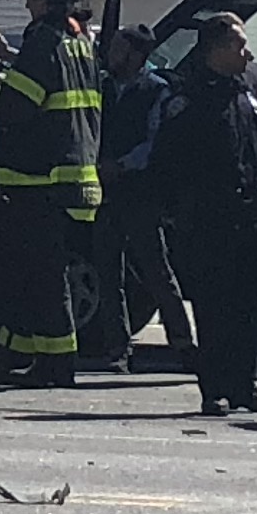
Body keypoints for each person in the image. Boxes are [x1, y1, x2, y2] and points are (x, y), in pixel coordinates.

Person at [149, 9, 257, 415]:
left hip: (250, 216)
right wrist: (176, 211)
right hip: (209, 218)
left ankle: (245, 384)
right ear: (217, 48)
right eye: (239, 45)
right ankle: (215, 389)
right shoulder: (189, 98)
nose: (247, 53)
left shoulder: (245, 92)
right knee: (214, 307)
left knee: (249, 305)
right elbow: (168, 161)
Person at [0, 0, 103, 388]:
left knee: (40, 276)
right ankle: (19, 350)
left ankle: (53, 363)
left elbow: (16, 107)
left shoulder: (43, 40)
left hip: (38, 180)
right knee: (36, 273)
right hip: (75, 177)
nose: (27, 6)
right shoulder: (80, 40)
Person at [84, 20, 199, 374]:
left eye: (119, 48)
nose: (111, 54)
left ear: (136, 55)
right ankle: (117, 349)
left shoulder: (157, 90)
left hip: (140, 194)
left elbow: (155, 142)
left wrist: (120, 165)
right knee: (107, 273)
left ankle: (183, 343)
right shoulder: (102, 87)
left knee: (156, 271)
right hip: (105, 194)